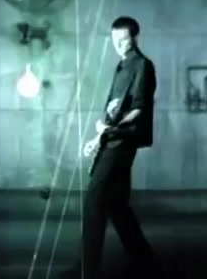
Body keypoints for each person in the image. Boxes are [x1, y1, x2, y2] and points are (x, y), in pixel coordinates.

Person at [65, 16, 159, 279]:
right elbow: (113, 109)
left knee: (94, 201)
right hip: (113, 138)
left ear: (135, 38)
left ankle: (86, 269)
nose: (118, 44)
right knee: (117, 205)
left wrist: (108, 130)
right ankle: (147, 264)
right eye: (114, 40)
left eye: (123, 39)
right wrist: (98, 135)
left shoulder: (143, 65)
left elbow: (139, 108)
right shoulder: (121, 66)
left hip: (123, 140)